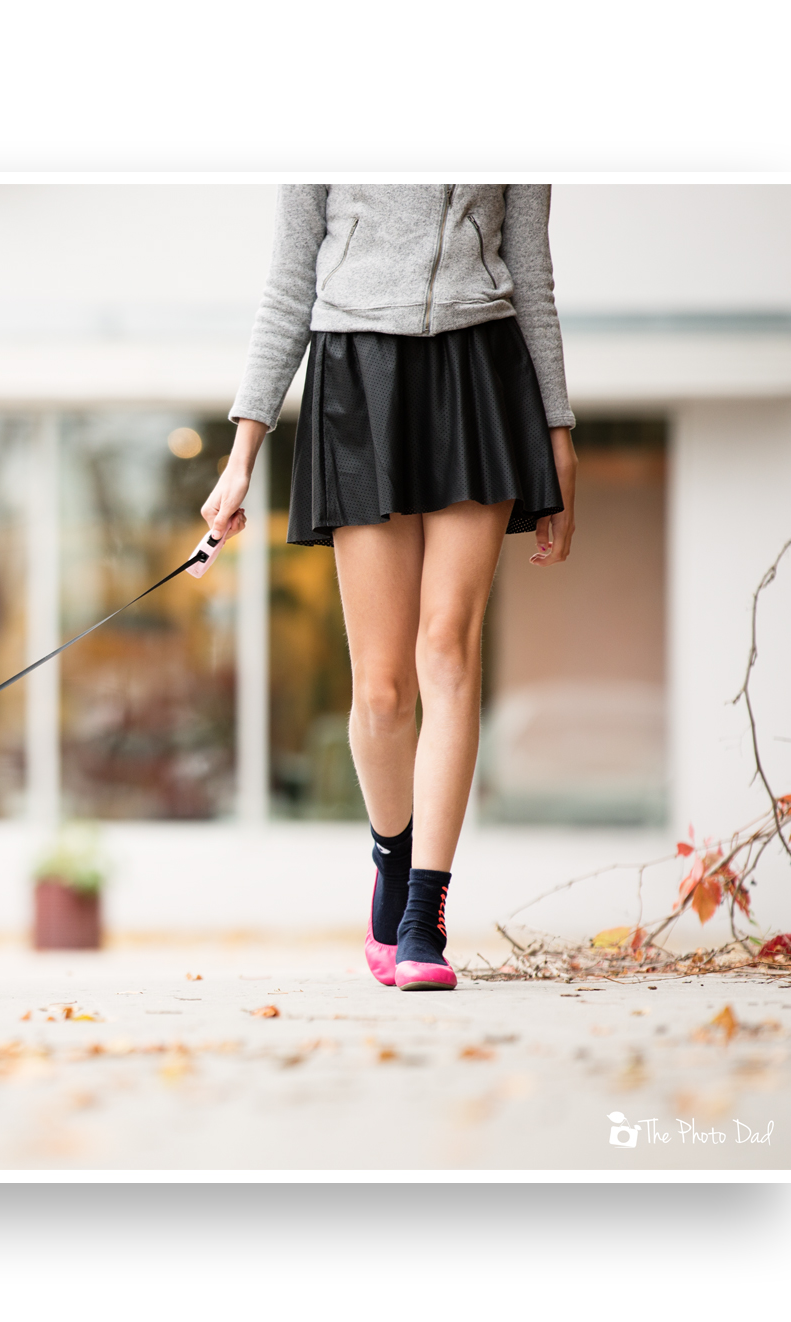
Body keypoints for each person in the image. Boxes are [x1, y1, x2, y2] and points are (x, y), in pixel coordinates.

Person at [203, 184, 577, 991]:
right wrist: (242, 455)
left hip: (479, 373)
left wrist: (558, 433)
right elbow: (288, 285)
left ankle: (423, 915)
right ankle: (393, 854)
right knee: (380, 691)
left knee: (447, 645)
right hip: (356, 378)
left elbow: (534, 277)